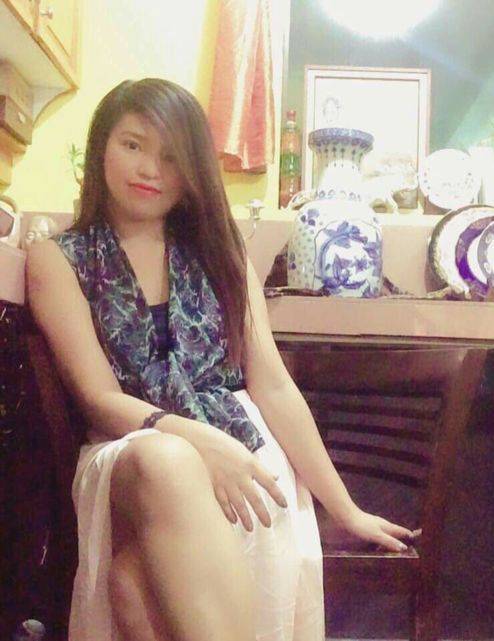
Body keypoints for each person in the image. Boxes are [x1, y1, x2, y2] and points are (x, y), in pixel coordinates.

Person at [26, 78, 414, 641]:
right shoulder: (59, 258)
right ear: (101, 146)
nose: (150, 169)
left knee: (133, 587)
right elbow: (97, 397)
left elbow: (273, 386)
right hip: (129, 447)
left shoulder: (222, 254)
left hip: (242, 451)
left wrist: (345, 509)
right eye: (133, 145)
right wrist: (194, 439)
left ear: (193, 171)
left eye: (171, 156)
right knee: (166, 460)